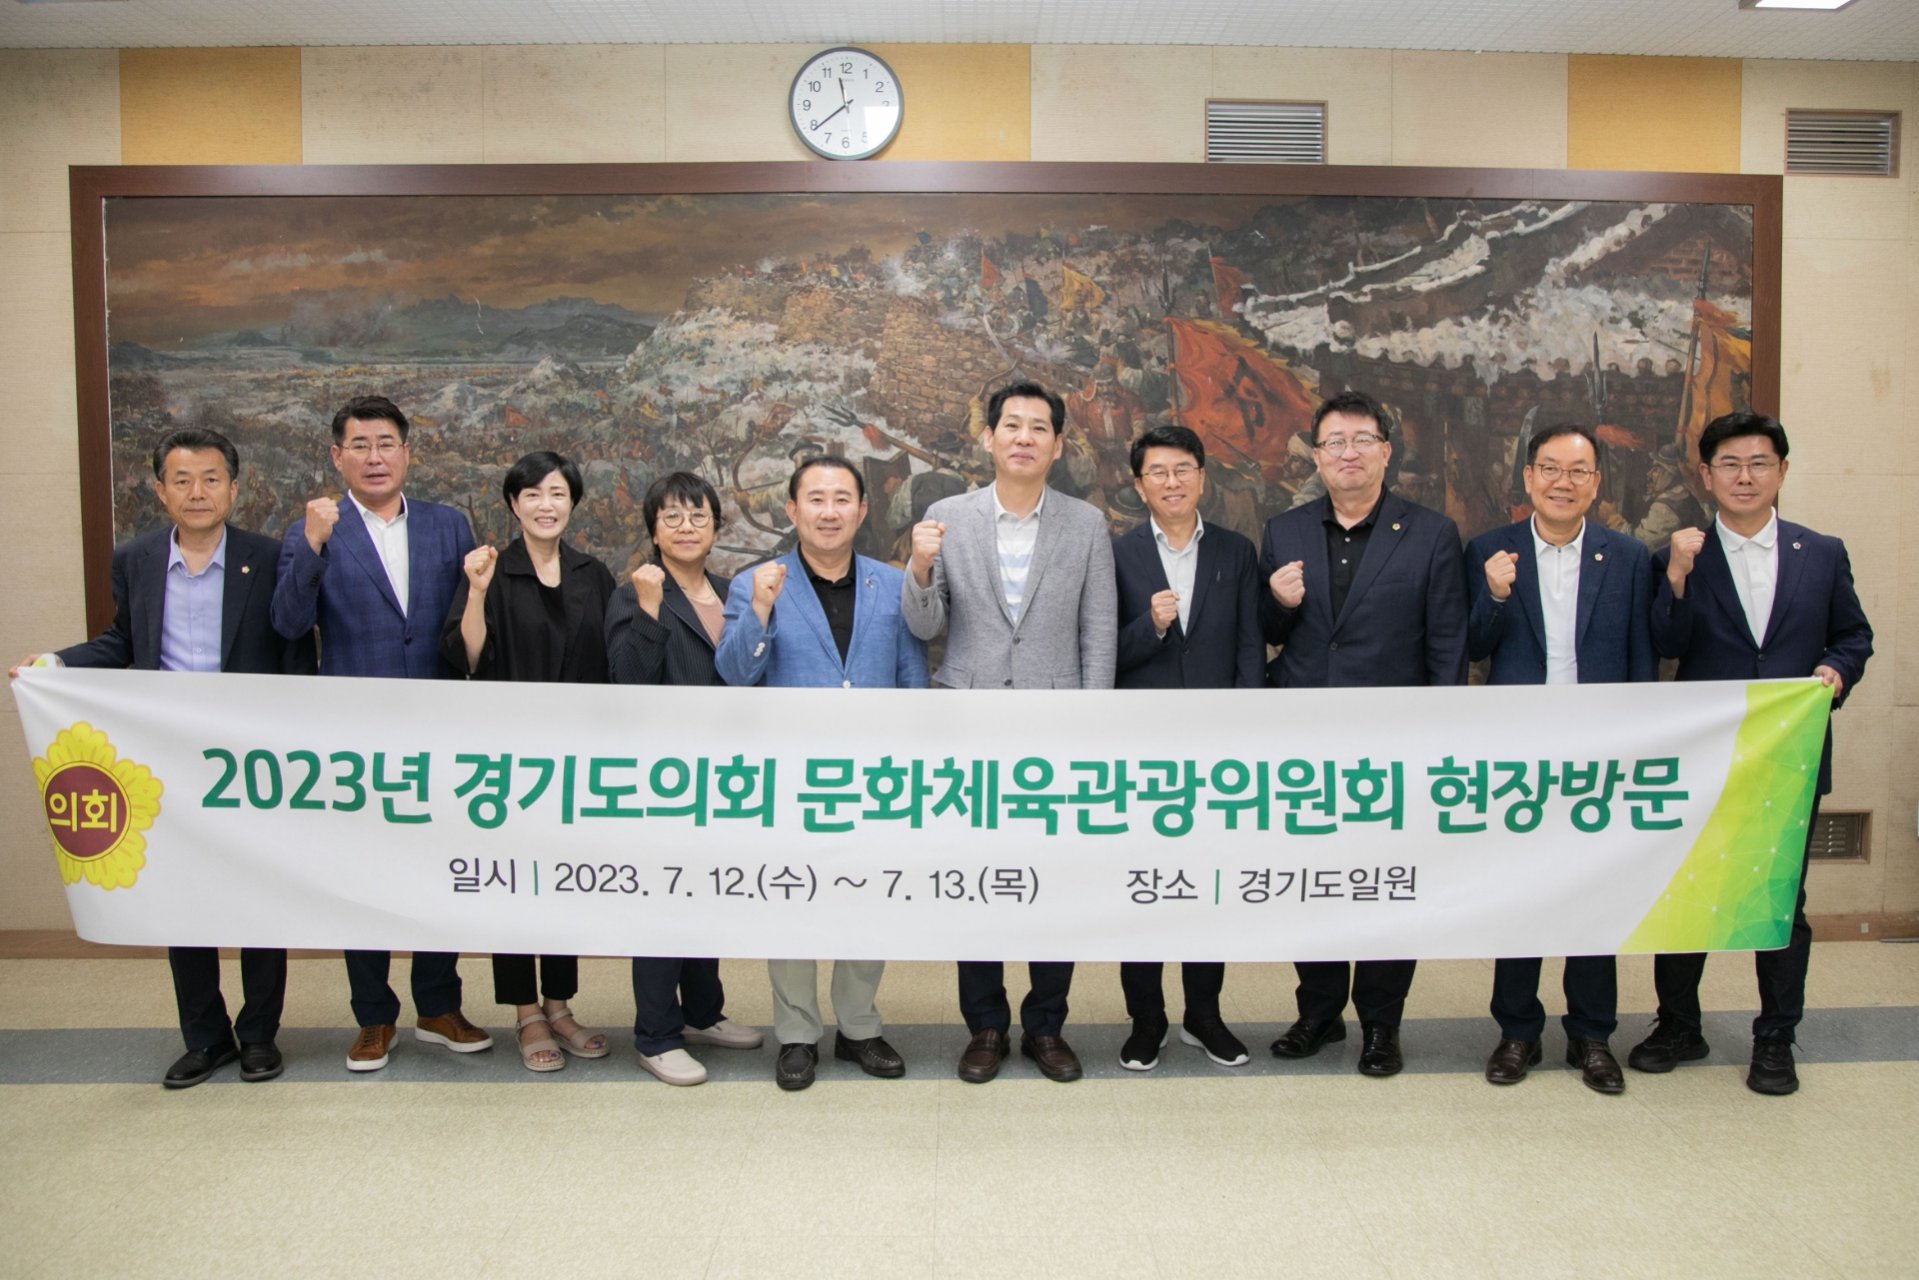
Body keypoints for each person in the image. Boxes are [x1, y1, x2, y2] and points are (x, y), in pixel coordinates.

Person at [11, 427, 315, 1088]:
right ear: (160, 491)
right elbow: (123, 640)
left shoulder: (268, 558)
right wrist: (55, 663)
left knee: (260, 897)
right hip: (170, 760)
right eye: (182, 480)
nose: (197, 492)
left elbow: (296, 654)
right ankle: (205, 1038)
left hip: (250, 760)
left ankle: (258, 1035)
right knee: (185, 900)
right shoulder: (137, 559)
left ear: (234, 488)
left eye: (210, 479)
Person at [1633, 411, 1872, 1096]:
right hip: (1703, 758)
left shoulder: (1820, 552)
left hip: (1788, 757)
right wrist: (1678, 576)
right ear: (1705, 476)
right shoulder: (1678, 553)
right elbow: (1666, 642)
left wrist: (1835, 672)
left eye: (1759, 463)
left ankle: (1775, 1038)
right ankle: (1678, 1025)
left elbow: (1853, 637)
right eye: (1730, 465)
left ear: (1782, 472)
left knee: (1780, 900)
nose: (1745, 477)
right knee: (1688, 893)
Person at [902, 381, 1118, 1084]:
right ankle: (986, 1025)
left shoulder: (1086, 524)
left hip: (1058, 726)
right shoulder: (946, 517)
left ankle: (1047, 1025)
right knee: (977, 877)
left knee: (1055, 880)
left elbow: (1098, 629)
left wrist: (1091, 726)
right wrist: (919, 566)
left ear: (1058, 445)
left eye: (1039, 428)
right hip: (969, 723)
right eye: (1012, 426)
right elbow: (925, 627)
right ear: (988, 438)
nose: (1024, 437)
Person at [271, 394, 492, 1072]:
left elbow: (464, 621)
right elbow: (287, 623)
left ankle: (438, 1005)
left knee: (439, 870)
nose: (375, 457)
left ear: (406, 452)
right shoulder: (313, 529)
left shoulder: (447, 525)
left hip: (439, 729)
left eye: (386, 443)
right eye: (360, 445)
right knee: (361, 876)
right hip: (355, 735)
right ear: (337, 456)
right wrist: (312, 546)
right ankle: (373, 1016)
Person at [1257, 389, 1468, 1078]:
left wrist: (1439, 740)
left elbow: (1446, 643)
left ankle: (1381, 1021)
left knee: (1386, 882)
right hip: (1304, 740)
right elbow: (1267, 631)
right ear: (1316, 457)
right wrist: (1276, 603)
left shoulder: (1431, 533)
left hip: (1394, 744)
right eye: (1333, 443)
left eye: (1361, 440)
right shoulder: (1283, 530)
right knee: (1312, 879)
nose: (1347, 453)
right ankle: (1318, 1011)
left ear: (1385, 451)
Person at [716, 456, 928, 1090]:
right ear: (792, 510)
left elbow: (911, 676)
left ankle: (859, 1026)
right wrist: (759, 610)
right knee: (792, 899)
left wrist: (914, 762)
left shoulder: (893, 583)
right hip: (792, 780)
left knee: (870, 895)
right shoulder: (756, 583)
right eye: (815, 499)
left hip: (877, 777)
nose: (828, 511)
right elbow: (735, 674)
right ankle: (798, 1034)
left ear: (862, 511)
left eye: (841, 499)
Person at [1466, 423, 1654, 1095]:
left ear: (1595, 483)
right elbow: (1471, 646)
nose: (1562, 482)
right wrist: (1492, 595)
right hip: (1519, 754)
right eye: (1549, 468)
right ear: (1528, 477)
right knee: (1521, 894)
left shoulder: (1627, 556)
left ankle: (1591, 1035)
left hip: (1598, 753)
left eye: (1577, 471)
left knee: (1592, 895)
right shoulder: (1490, 550)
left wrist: (1636, 744)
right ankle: (1517, 1031)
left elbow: (1640, 654)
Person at [440, 451, 615, 1073]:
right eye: (534, 494)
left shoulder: (593, 574)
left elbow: (612, 662)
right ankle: (525, 1011)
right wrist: (476, 592)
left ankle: (559, 1004)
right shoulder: (492, 570)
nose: (547, 505)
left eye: (558, 494)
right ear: (514, 504)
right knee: (513, 882)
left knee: (563, 880)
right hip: (509, 761)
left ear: (572, 503)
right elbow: (466, 657)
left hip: (575, 762)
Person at [604, 471, 765, 1086]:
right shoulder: (635, 593)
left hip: (727, 777)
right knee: (664, 903)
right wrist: (648, 609)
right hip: (664, 779)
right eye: (671, 516)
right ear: (653, 530)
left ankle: (702, 1011)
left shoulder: (733, 591)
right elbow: (628, 683)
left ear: (716, 527)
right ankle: (656, 1035)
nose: (686, 526)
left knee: (707, 895)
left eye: (698, 516)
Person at [1111, 424, 1262, 1071]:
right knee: (1143, 886)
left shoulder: (1235, 550)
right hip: (1140, 752)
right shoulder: (1116, 554)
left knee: (1208, 885)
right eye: (1157, 472)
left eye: (1182, 470)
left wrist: (1245, 732)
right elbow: (1102, 655)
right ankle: (1146, 1020)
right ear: (1139, 484)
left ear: (1202, 476)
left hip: (1216, 751)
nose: (1171, 482)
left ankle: (1204, 1016)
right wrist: (1149, 625)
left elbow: (1250, 646)